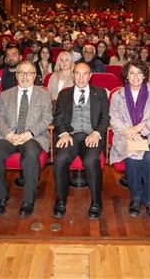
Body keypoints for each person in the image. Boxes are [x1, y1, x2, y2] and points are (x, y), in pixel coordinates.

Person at [0, 61, 53, 218]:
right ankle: (1, 196)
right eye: (22, 72)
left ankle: (28, 200)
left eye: (29, 73)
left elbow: (47, 118)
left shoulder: (44, 94)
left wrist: (28, 133)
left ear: (35, 77)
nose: (25, 76)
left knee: (30, 154)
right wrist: (9, 134)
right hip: (8, 135)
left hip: (33, 136)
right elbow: (0, 117)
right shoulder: (5, 94)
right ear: (16, 75)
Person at [109, 60, 150, 219]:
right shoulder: (117, 95)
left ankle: (149, 200)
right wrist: (128, 132)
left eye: (139, 73)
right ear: (126, 76)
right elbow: (113, 118)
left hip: (149, 135)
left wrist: (140, 128)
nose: (136, 76)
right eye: (131, 73)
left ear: (144, 75)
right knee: (132, 160)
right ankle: (135, 199)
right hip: (126, 136)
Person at [53, 62, 110, 219]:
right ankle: (61, 200)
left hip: (91, 135)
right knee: (60, 159)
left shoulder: (100, 93)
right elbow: (57, 118)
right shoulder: (64, 94)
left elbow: (105, 118)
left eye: (85, 73)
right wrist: (63, 133)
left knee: (91, 160)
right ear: (73, 75)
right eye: (77, 73)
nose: (81, 77)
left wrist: (97, 133)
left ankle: (96, 202)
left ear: (90, 76)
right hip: (70, 135)